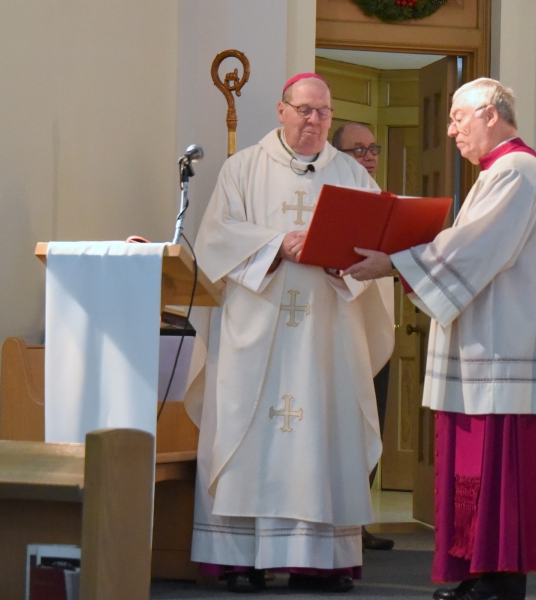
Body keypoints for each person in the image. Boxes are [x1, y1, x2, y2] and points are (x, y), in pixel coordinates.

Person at [345, 77, 536, 600]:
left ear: (490, 114)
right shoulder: (499, 173)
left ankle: (499, 578)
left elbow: (472, 250)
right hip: (485, 346)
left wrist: (394, 262)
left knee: (498, 473)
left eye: (457, 118)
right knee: (478, 472)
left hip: (502, 350)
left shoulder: (518, 172)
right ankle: (481, 573)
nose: (449, 131)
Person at [188, 73, 395, 593]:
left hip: (326, 334)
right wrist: (278, 244)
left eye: (323, 112)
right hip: (256, 332)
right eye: (304, 110)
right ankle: (239, 558)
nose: (314, 120)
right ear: (281, 111)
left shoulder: (352, 175)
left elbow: (376, 246)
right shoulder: (243, 169)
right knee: (245, 430)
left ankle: (318, 562)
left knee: (322, 435)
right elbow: (215, 239)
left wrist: (341, 262)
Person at [331, 121, 394, 552]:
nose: (369, 156)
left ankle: (360, 517)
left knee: (374, 415)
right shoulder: (333, 199)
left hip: (380, 322)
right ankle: (337, 518)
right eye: (357, 150)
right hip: (342, 326)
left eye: (372, 148)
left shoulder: (384, 201)